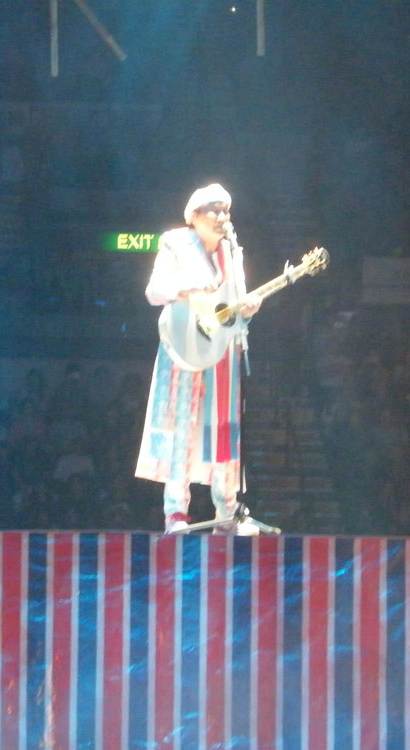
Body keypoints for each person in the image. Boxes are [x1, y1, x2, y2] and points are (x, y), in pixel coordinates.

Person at [135, 183, 262, 534]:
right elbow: (153, 291)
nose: (222, 217)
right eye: (214, 210)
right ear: (194, 216)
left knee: (223, 428)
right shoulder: (175, 242)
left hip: (222, 349)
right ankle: (176, 513)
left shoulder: (231, 251)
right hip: (185, 347)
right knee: (182, 428)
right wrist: (186, 290)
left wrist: (248, 308)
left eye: (226, 210)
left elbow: (233, 307)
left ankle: (228, 512)